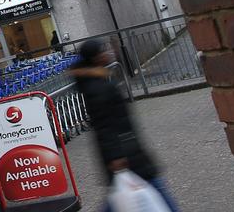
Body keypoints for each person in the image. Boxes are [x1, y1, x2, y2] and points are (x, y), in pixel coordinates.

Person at [71, 39, 180, 212]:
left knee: (121, 196)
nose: (108, 53)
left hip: (126, 149)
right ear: (95, 58)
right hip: (125, 153)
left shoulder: (98, 81)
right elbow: (104, 125)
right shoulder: (98, 88)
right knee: (154, 190)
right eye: (103, 50)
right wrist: (116, 157)